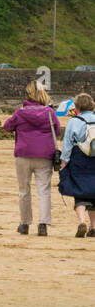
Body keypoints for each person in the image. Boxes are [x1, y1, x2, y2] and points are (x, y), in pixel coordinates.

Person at [2, 79, 61, 236]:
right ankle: (43, 224)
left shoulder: (20, 112)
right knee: (44, 190)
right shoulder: (50, 113)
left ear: (27, 94)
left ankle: (25, 223)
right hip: (44, 155)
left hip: (23, 154)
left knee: (24, 190)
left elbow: (7, 126)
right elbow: (57, 131)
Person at [59, 92, 95, 236]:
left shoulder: (74, 121)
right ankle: (93, 227)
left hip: (78, 159)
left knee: (79, 191)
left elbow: (67, 144)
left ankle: (82, 222)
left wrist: (63, 161)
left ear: (77, 106)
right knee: (94, 192)